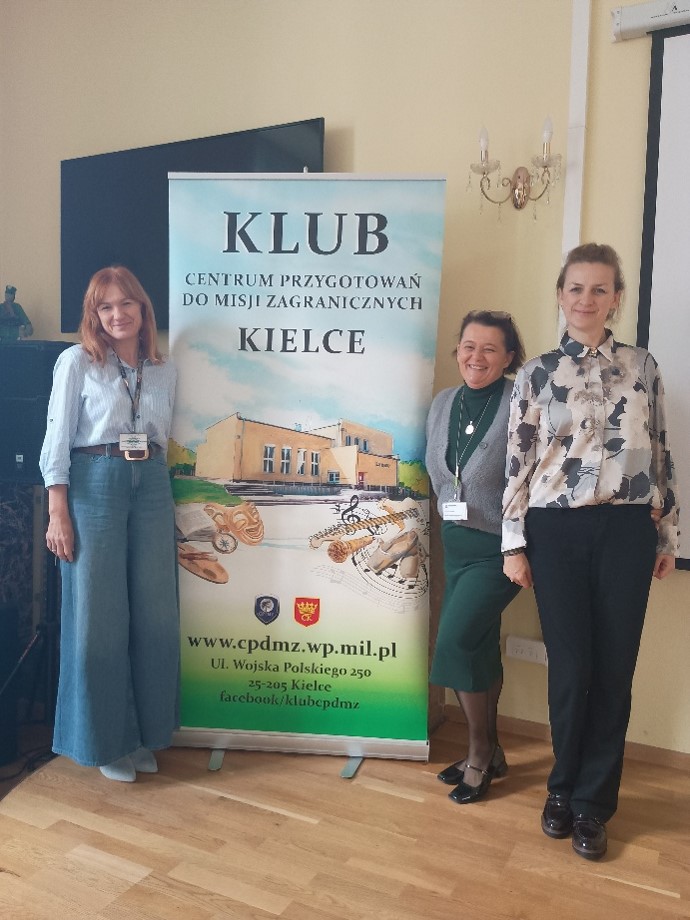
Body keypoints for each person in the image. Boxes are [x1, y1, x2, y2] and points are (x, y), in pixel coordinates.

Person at [502, 243, 679, 859]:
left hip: (628, 529)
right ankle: (561, 788)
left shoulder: (642, 367)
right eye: (576, 288)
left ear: (616, 298)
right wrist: (513, 544)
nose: (586, 299)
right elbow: (519, 462)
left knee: (613, 669)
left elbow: (660, 450)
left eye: (600, 289)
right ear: (561, 295)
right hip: (556, 530)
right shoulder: (537, 373)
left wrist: (666, 534)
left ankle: (593, 804)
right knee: (571, 667)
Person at [39, 266, 180, 782]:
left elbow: (162, 433)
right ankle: (105, 742)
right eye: (105, 307)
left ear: (143, 309)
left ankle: (142, 733)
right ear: (94, 315)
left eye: (126, 303)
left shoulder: (164, 369)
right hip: (93, 481)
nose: (117, 314)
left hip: (153, 481)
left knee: (155, 613)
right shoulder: (77, 361)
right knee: (98, 615)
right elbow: (57, 436)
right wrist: (58, 511)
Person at [426, 310, 526, 804]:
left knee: (456, 642)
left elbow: (530, 480)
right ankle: (494, 751)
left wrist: (519, 546)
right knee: (481, 647)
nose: (476, 357)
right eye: (469, 346)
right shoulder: (443, 403)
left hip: (499, 549)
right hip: (456, 544)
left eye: (489, 349)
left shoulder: (520, 403)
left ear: (509, 357)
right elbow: (440, 471)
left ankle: (480, 753)